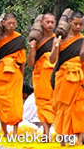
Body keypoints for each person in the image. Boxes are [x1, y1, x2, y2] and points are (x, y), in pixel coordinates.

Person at [0, 13, 26, 137]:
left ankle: (15, 131)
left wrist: (22, 75)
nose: (11, 26)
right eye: (9, 23)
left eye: (13, 23)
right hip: (0, 74)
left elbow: (22, 60)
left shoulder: (18, 38)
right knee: (1, 103)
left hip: (15, 74)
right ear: (3, 23)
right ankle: (4, 132)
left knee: (16, 103)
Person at [49, 10, 84, 146]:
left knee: (79, 108)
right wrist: (56, 45)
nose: (78, 27)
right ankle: (63, 140)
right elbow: (52, 60)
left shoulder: (82, 40)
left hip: (78, 78)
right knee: (62, 108)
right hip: (63, 78)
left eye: (80, 25)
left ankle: (80, 141)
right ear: (70, 22)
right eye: (75, 24)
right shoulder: (60, 38)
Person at [27, 12, 55, 139]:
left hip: (53, 77)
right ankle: (46, 131)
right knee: (42, 104)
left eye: (52, 22)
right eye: (47, 22)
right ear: (42, 23)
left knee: (54, 103)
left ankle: (54, 130)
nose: (50, 25)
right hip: (39, 76)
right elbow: (31, 63)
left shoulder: (57, 40)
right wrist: (32, 49)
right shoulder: (37, 41)